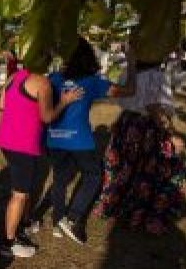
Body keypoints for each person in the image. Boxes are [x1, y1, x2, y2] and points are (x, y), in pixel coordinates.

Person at [45, 38, 137, 244]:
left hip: (55, 138)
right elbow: (129, 91)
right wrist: (131, 63)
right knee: (93, 176)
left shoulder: (53, 78)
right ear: (89, 57)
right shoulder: (92, 81)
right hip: (79, 140)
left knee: (59, 179)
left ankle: (58, 222)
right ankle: (72, 218)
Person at [0, 52, 83, 258]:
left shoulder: (13, 77)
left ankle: (25, 222)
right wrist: (64, 101)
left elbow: (1, 105)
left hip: (6, 140)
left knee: (25, 186)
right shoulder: (42, 83)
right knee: (20, 193)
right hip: (22, 144)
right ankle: (8, 242)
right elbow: (47, 117)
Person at [94, 60, 186, 235]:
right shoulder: (156, 76)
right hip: (147, 128)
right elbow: (153, 107)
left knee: (126, 168)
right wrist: (171, 134)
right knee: (148, 171)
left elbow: (123, 100)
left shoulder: (128, 72)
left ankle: (116, 207)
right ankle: (141, 215)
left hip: (128, 123)